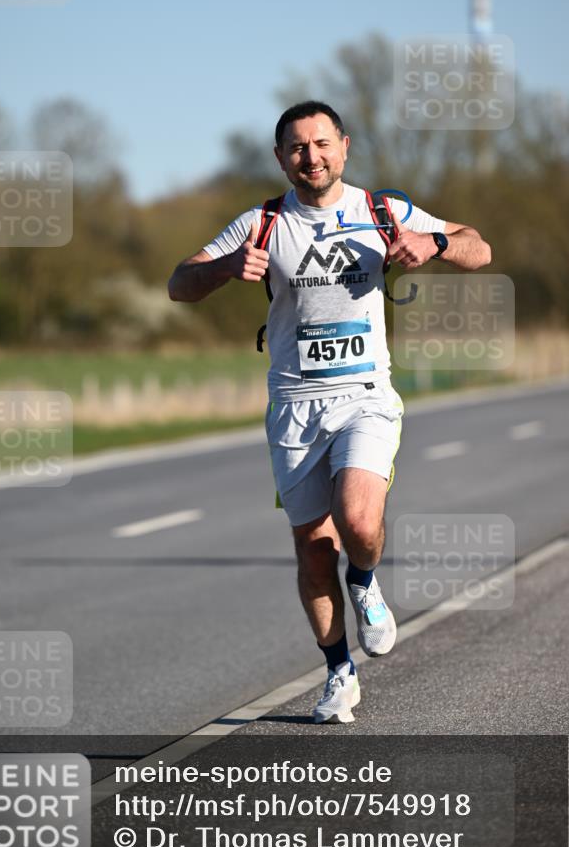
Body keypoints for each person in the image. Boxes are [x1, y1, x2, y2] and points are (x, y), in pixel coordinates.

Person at [168, 101, 491, 723]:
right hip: (293, 404)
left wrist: (435, 243)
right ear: (280, 157)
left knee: (358, 521)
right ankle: (339, 671)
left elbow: (480, 247)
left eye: (321, 143)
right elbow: (179, 283)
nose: (310, 157)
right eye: (297, 147)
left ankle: (364, 579)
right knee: (314, 550)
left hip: (365, 395)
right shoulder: (262, 223)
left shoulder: (383, 210)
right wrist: (228, 267)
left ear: (344, 146)